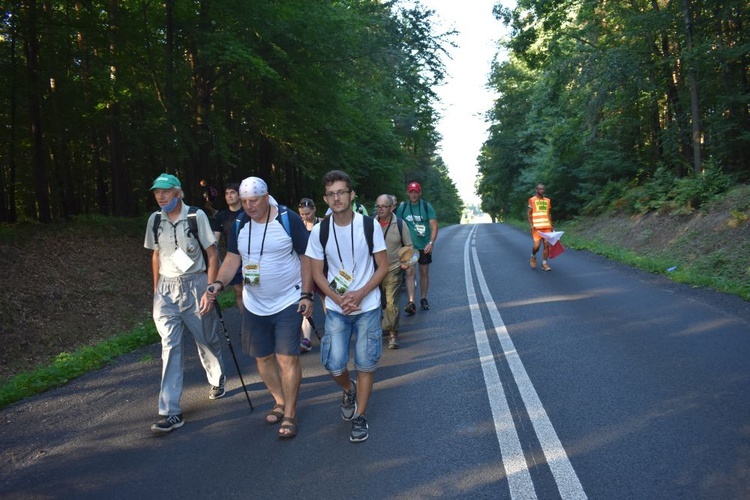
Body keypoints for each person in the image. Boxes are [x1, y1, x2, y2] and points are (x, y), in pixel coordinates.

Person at [204, 177, 312, 439]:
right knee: (262, 357)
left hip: (288, 298)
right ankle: (279, 400)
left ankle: (290, 413)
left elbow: (306, 257)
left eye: (254, 200)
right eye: (244, 201)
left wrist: (307, 294)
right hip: (255, 303)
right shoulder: (240, 223)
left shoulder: (288, 219)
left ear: (266, 197)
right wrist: (218, 282)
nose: (249, 206)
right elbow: (232, 259)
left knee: (287, 357)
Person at [305, 170, 388, 443]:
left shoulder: (369, 225)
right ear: (325, 199)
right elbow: (317, 272)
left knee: (365, 363)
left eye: (342, 192)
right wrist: (338, 298)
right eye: (331, 194)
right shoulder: (320, 230)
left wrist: (361, 293)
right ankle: (347, 388)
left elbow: (383, 267)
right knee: (333, 363)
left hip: (368, 305)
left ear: (351, 195)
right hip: (337, 306)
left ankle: (360, 416)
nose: (337, 198)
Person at [144, 173, 226, 433]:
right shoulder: (154, 219)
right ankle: (170, 411)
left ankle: (217, 377)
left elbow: (212, 255)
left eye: (165, 191)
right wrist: (156, 290)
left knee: (205, 338)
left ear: (177, 192)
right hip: (166, 290)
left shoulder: (195, 216)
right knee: (170, 348)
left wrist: (210, 291)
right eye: (157, 192)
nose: (160, 196)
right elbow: (156, 255)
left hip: (196, 285)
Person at [375, 194, 413, 349]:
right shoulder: (372, 224)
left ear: (392, 207)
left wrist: (406, 262)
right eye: (378, 206)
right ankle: (387, 324)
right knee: (381, 302)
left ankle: (393, 334)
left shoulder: (399, 224)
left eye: (384, 206)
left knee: (392, 302)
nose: (381, 209)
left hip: (393, 269)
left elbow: (409, 247)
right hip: (374, 272)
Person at [395, 182, 438, 314]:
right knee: (410, 273)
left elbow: (434, 226)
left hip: (424, 246)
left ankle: (423, 298)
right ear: (408, 193)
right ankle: (411, 301)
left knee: (424, 273)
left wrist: (430, 243)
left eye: (416, 192)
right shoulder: (403, 208)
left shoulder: (426, 206)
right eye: (411, 192)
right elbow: (396, 225)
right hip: (410, 248)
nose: (413, 194)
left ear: (420, 193)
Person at [212, 183, 244, 310]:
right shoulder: (221, 216)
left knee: (252, 291)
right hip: (232, 258)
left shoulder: (248, 213)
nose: (229, 196)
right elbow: (215, 239)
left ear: (240, 195)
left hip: (250, 258)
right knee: (238, 290)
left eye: (232, 192)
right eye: (227, 193)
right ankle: (245, 323)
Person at [297, 197, 321, 352]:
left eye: (307, 214)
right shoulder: (298, 226)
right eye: (301, 214)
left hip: (323, 267)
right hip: (305, 269)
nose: (304, 217)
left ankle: (333, 333)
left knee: (328, 300)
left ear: (314, 210)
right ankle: (306, 339)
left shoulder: (324, 223)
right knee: (306, 299)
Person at [528, 183, 553, 271]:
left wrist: (551, 225)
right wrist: (531, 225)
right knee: (537, 246)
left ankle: (544, 264)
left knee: (546, 245)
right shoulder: (532, 200)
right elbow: (528, 213)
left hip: (546, 227)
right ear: (536, 190)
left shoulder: (547, 200)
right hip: (536, 228)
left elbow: (549, 213)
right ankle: (533, 256)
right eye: (540, 189)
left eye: (543, 189)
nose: (542, 190)